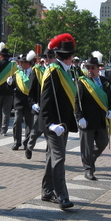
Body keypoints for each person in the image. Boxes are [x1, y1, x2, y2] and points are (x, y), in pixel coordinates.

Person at [40, 34, 78, 209]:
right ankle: (62, 195)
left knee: (52, 157)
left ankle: (47, 191)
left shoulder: (65, 70)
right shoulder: (54, 71)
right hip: (54, 124)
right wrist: (49, 124)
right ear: (70, 57)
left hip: (62, 124)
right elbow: (46, 100)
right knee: (59, 157)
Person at [76, 54, 111, 180]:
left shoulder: (105, 82)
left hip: (101, 119)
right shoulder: (82, 82)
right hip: (86, 120)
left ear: (98, 69)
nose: (90, 70)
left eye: (93, 68)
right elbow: (77, 101)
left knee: (103, 143)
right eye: (89, 68)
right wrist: (79, 117)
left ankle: (89, 160)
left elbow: (109, 100)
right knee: (86, 146)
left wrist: (110, 110)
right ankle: (88, 169)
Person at [26, 50, 52, 159]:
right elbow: (31, 91)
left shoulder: (56, 71)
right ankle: (29, 146)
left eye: (49, 57)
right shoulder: (36, 71)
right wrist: (33, 104)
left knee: (50, 134)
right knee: (37, 130)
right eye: (45, 57)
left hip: (51, 108)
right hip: (39, 106)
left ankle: (49, 156)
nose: (47, 59)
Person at [9, 51, 35, 152]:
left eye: (22, 62)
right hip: (18, 102)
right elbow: (11, 87)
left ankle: (27, 142)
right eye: (19, 62)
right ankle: (17, 142)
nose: (20, 64)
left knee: (29, 124)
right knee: (17, 121)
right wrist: (9, 83)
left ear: (29, 63)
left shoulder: (34, 73)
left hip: (29, 102)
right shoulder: (17, 74)